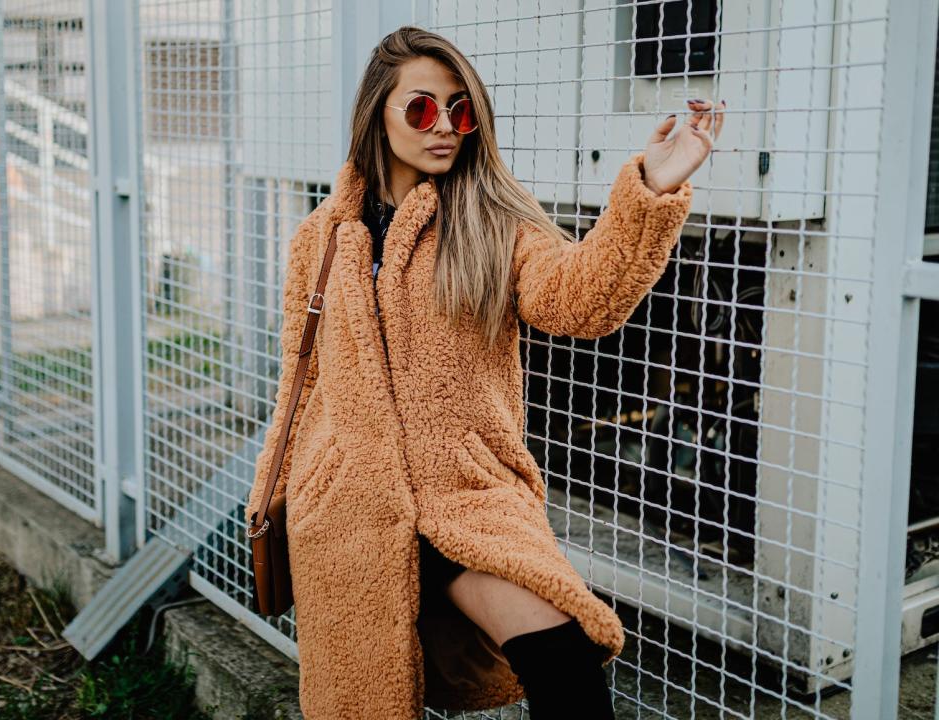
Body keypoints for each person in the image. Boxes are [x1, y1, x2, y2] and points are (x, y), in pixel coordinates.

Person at [245, 24, 724, 720]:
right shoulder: (318, 239)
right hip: (349, 509)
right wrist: (283, 495)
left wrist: (649, 190)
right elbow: (301, 382)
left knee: (565, 659)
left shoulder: (491, 220)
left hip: (465, 498)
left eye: (460, 109)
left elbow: (579, 299)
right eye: (421, 108)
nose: (444, 126)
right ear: (376, 113)